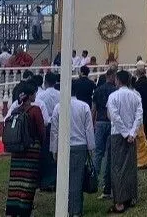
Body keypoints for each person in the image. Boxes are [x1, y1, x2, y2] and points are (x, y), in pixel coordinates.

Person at [50, 79, 96, 217]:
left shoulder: (59, 107)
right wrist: (91, 148)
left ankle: (68, 207)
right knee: (77, 179)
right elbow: (89, 129)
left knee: (65, 179)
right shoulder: (83, 106)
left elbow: (54, 130)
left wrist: (54, 149)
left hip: (64, 146)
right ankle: (75, 210)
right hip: (80, 146)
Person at [5, 82, 45, 216]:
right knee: (28, 182)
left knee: (16, 181)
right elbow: (41, 131)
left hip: (17, 150)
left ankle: (12, 208)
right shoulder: (35, 110)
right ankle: (24, 209)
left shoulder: (16, 110)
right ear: (30, 95)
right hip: (31, 150)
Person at [107, 69, 143, 213]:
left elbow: (114, 117)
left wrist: (125, 133)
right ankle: (131, 197)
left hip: (118, 135)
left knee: (117, 167)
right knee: (130, 166)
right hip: (130, 135)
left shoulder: (113, 96)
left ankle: (120, 201)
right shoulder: (135, 96)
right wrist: (132, 133)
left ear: (118, 80)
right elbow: (139, 116)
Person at [93, 69, 116, 197]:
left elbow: (94, 109)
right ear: (110, 76)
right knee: (109, 153)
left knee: (98, 152)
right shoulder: (114, 91)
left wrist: (92, 123)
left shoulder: (97, 90)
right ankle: (106, 181)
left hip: (100, 122)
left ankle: (94, 178)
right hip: (110, 122)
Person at [133, 65, 147, 148]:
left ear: (138, 74)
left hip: (140, 110)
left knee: (140, 131)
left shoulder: (136, 84)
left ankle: (142, 149)